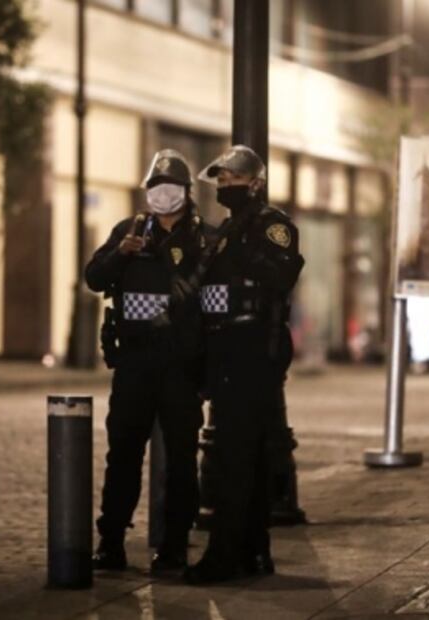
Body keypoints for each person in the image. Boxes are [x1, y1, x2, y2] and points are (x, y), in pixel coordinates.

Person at [85, 149, 212, 573]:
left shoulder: (205, 240)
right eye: (156, 186)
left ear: (187, 192)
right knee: (123, 453)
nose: (163, 194)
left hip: (181, 365)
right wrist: (120, 253)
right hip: (135, 363)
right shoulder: (130, 230)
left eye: (171, 187)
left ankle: (173, 546)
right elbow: (94, 278)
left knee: (180, 458)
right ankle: (111, 542)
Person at [185, 145, 304, 584]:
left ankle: (224, 556)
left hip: (252, 349)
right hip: (225, 350)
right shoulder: (229, 228)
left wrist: (237, 249)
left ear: (255, 183)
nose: (224, 185)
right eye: (220, 179)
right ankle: (253, 552)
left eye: (233, 178)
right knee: (246, 456)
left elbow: (281, 275)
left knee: (234, 457)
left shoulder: (272, 225)